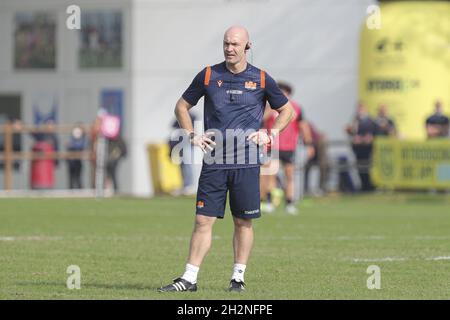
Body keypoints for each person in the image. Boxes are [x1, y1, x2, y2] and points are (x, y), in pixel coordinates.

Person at [158, 26, 294, 293]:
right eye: (226, 44)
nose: (229, 48)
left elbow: (286, 110)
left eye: (234, 44)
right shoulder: (209, 75)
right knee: (202, 220)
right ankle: (189, 278)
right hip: (215, 163)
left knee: (243, 221)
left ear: (247, 47)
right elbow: (181, 106)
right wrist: (191, 135)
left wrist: (270, 134)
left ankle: (238, 277)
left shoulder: (262, 79)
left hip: (246, 162)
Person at [260, 82, 314, 215]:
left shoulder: (296, 108)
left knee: (289, 175)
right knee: (270, 175)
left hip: (289, 146)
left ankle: (290, 203)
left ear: (289, 93)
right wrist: (270, 109)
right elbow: (261, 121)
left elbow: (303, 126)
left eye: (284, 92)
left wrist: (309, 144)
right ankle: (269, 202)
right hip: (272, 145)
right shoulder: (269, 107)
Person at [345, 102, 376, 192]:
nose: (359, 110)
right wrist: (349, 131)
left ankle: (368, 186)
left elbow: (373, 132)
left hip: (367, 148)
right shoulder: (355, 120)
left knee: (367, 167)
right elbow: (352, 131)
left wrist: (367, 137)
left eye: (361, 108)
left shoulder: (370, 120)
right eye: (358, 108)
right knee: (359, 167)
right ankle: (363, 186)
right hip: (358, 148)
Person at [66, 124, 87, 189]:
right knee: (71, 178)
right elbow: (69, 146)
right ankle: (70, 191)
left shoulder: (83, 139)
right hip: (71, 161)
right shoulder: (72, 138)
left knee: (78, 177)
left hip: (78, 161)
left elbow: (81, 146)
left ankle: (80, 190)